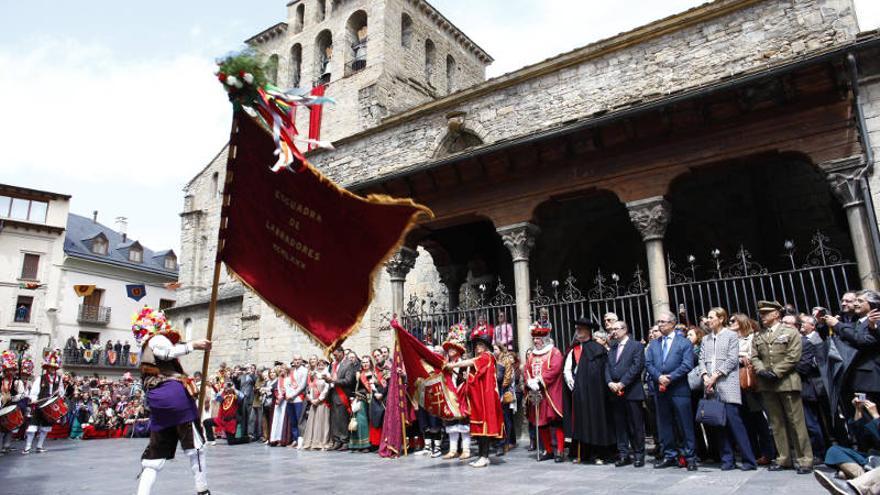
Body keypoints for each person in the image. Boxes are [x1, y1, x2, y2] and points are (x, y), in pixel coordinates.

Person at [131, 306, 212, 495]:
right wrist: (194, 345)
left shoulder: (144, 348)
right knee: (196, 447)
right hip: (174, 397)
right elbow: (165, 352)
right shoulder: (156, 339)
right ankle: (202, 489)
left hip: (158, 402)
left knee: (155, 453)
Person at [751, 299, 813, 474]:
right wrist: (762, 370)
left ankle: (804, 459)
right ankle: (784, 458)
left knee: (796, 422)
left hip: (786, 382)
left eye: (766, 313)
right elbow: (754, 356)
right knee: (776, 423)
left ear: (776, 314)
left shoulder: (790, 332)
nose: (762, 316)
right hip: (767, 384)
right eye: (761, 313)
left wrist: (776, 372)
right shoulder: (759, 335)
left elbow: (794, 355)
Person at [699, 307, 757, 471]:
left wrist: (715, 375)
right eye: (708, 318)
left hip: (726, 384)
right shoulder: (706, 339)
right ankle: (727, 459)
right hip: (710, 386)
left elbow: (732, 359)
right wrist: (705, 376)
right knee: (719, 425)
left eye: (711, 317)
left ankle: (748, 460)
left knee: (735, 423)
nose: (708, 320)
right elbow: (701, 359)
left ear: (721, 318)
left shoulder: (731, 336)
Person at [646, 310, 698, 471]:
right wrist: (659, 377)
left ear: (672, 323)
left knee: (685, 424)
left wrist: (670, 377)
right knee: (665, 424)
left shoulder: (684, 343)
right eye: (658, 322)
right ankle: (670, 455)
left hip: (679, 389)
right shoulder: (654, 344)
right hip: (660, 390)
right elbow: (648, 364)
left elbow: (687, 364)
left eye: (663, 322)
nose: (659, 325)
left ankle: (689, 457)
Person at [444, 333, 504, 468]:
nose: (477, 348)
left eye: (481, 345)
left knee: (484, 429)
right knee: (482, 430)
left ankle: (484, 456)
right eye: (477, 345)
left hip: (485, 399)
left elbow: (470, 362)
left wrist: (452, 366)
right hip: (482, 397)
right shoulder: (484, 358)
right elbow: (477, 377)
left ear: (487, 347)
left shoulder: (487, 356)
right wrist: (468, 378)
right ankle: (483, 456)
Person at [569, 317, 615, 464]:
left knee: (596, 422)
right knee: (583, 422)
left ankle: (599, 454)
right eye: (577, 330)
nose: (577, 332)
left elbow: (599, 373)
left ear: (588, 331)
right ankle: (583, 454)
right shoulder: (576, 348)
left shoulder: (597, 349)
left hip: (596, 394)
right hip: (582, 394)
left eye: (580, 330)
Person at [605, 320, 646, 467]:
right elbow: (607, 367)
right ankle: (623, 454)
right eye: (612, 330)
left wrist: (622, 383)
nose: (613, 332)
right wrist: (610, 382)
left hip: (632, 391)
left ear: (625, 329)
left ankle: (639, 454)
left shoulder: (636, 346)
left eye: (616, 329)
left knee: (636, 425)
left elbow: (637, 366)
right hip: (615, 393)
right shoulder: (613, 348)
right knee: (620, 425)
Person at [524, 321, 565, 462]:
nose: (536, 341)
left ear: (545, 339)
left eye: (538, 338)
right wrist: (529, 381)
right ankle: (548, 450)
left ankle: (559, 450)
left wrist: (539, 380)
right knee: (540, 422)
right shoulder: (532, 355)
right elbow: (527, 370)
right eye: (534, 339)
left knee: (556, 422)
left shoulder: (555, 352)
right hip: (537, 395)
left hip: (551, 392)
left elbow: (555, 369)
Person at [824, 397, 880, 480]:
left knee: (842, 474)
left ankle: (861, 479)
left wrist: (876, 417)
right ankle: (864, 478)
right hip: (871, 459)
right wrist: (858, 410)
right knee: (834, 451)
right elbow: (862, 441)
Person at [24, 349, 64, 454]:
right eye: (51, 367)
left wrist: (59, 395)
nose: (52, 369)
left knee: (45, 428)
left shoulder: (59, 379)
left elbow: (61, 392)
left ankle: (39, 446)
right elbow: (33, 392)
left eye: (54, 367)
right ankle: (27, 447)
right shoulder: (40, 378)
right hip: (39, 405)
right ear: (47, 368)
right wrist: (33, 399)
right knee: (32, 427)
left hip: (50, 407)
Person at [441, 328, 470, 460]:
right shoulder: (445, 364)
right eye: (450, 348)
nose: (451, 350)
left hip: (462, 395)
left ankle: (466, 449)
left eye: (454, 348)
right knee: (451, 424)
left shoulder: (464, 365)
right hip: (450, 396)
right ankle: (453, 450)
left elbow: (468, 379)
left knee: (463, 424)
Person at [328, 345, 356, 450]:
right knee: (335, 419)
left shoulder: (348, 364)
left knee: (343, 419)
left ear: (341, 352)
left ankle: (345, 441)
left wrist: (334, 381)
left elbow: (348, 380)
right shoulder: (334, 364)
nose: (334, 357)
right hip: (333, 394)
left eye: (335, 355)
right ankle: (337, 440)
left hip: (343, 395)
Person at [301, 358, 332, 450]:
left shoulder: (327, 375)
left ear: (326, 365)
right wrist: (311, 399)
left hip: (322, 403)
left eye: (323, 365)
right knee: (314, 422)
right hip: (314, 403)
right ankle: (312, 441)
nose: (320, 366)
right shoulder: (314, 375)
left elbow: (326, 389)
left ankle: (322, 441)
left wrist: (319, 399)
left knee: (322, 422)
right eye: (319, 365)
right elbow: (310, 388)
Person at [1, 349, 26, 454]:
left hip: (11, 406)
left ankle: (6, 446)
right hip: (1, 405)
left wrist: (14, 398)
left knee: (9, 427)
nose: (10, 372)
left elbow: (22, 394)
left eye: (12, 369)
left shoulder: (17, 382)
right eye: (8, 370)